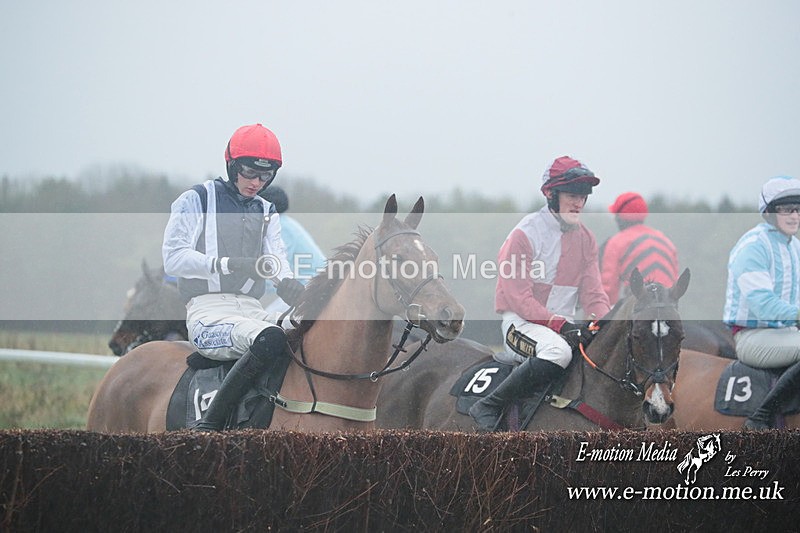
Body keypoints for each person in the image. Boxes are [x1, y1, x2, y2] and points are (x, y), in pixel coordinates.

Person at [162, 123, 306, 431]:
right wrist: (227, 264)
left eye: (265, 176)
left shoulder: (266, 210)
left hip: (252, 310)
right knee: (269, 339)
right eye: (250, 173)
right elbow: (173, 258)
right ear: (232, 166)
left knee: (306, 331)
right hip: (207, 313)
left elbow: (276, 262)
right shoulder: (196, 198)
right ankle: (209, 426)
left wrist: (290, 286)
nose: (256, 183)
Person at [469, 155, 611, 431]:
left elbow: (594, 296)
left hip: (563, 327)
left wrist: (605, 325)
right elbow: (518, 299)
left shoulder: (587, 240)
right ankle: (488, 405)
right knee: (558, 352)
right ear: (550, 194)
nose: (578, 203)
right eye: (572, 195)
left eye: (583, 196)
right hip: (521, 325)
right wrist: (560, 324)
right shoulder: (524, 234)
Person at [724, 175, 800, 430]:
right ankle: (759, 417)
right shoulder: (754, 246)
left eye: (798, 209)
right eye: (786, 209)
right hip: (753, 337)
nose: (794, 216)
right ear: (769, 213)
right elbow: (763, 306)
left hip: (787, 334)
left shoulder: (795, 247)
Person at [599, 192, 679, 305]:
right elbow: (676, 283)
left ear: (619, 218)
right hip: (668, 305)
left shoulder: (616, 242)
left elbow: (609, 288)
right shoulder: (665, 240)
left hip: (637, 306)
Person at [259, 186, 327, 318]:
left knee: (265, 322)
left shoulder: (279, 226)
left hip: (312, 286)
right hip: (309, 283)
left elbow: (275, 266)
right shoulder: (286, 222)